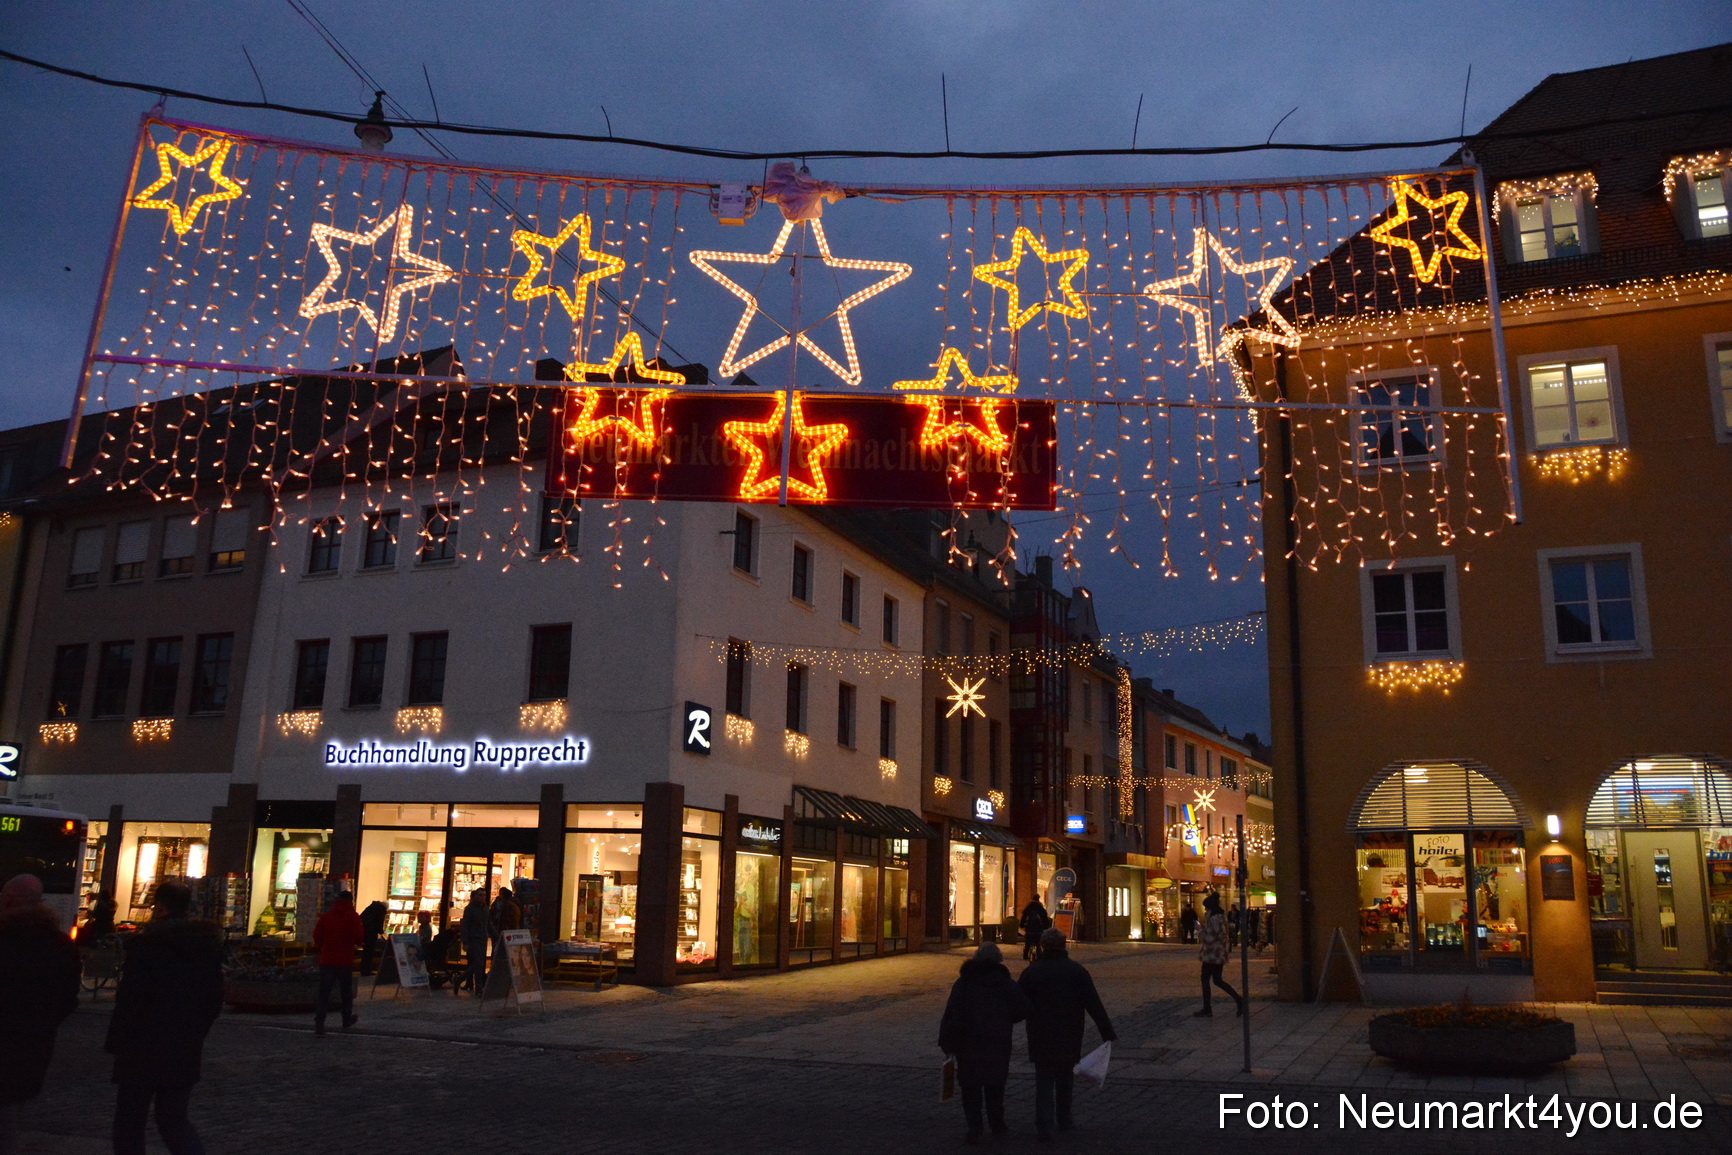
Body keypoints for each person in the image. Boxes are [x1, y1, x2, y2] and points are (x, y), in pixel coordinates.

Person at [106, 879, 223, 1155]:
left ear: (159, 907)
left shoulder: (147, 946)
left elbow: (129, 1000)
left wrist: (118, 1041)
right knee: (174, 1120)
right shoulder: (205, 948)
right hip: (183, 1047)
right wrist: (195, 1032)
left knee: (129, 1121)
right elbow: (213, 1000)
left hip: (141, 1047)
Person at [0, 875, 81, 1155]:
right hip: (36, 1039)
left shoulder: (5, 940)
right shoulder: (60, 945)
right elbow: (69, 997)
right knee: (11, 1111)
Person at [1018, 929, 1115, 1141]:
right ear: (1064, 945)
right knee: (1065, 1076)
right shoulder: (1076, 971)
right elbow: (1093, 1003)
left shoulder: (1032, 972)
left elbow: (1018, 1004)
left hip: (1040, 1033)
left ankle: (1044, 1124)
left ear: (1043, 946)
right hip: (1069, 1031)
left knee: (1043, 1078)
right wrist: (1106, 1030)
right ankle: (1064, 1117)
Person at [938, 942, 1032, 1144]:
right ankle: (997, 1123)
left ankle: (974, 1127)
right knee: (995, 1084)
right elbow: (1023, 1008)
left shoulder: (964, 982)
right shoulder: (1004, 982)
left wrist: (947, 1041)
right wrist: (1006, 1019)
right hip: (997, 1041)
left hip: (968, 1041)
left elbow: (951, 1011)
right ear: (998, 960)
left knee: (970, 1087)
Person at [312, 889, 364, 1036]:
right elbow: (359, 938)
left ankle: (319, 1023)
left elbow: (317, 936)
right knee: (345, 992)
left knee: (324, 993)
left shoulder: (327, 917)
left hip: (327, 959)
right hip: (344, 960)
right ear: (351, 901)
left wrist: (321, 948)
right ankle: (346, 1019)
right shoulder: (353, 917)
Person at [1194, 892, 1244, 1018]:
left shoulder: (1214, 919)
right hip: (1219, 954)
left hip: (1212, 954)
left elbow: (1211, 937)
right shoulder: (1221, 917)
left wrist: (1200, 930)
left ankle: (1207, 1008)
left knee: (1205, 979)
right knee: (1217, 980)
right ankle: (1238, 1000)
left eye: (1206, 908)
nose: (1205, 910)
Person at [458, 888, 491, 994]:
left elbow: (489, 924)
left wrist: (496, 936)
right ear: (475, 896)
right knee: (478, 963)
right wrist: (465, 942)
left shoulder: (485, 908)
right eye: (480, 895)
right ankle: (479, 988)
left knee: (479, 964)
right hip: (473, 939)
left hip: (483, 938)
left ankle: (459, 979)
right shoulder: (470, 909)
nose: (482, 897)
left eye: (484, 895)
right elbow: (465, 926)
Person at [357, 899, 388, 976]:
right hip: (371, 933)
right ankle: (367, 970)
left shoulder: (371, 908)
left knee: (366, 951)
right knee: (369, 952)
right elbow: (379, 924)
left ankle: (363, 969)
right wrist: (382, 933)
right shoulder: (381, 910)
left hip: (365, 932)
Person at [1017, 897, 1051, 961]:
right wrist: (1045, 927)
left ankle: (1025, 955)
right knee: (1038, 943)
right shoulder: (1041, 910)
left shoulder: (1027, 909)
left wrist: (1022, 925)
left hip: (1029, 930)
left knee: (1027, 943)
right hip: (1038, 930)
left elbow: (1022, 920)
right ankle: (1039, 955)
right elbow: (1046, 921)